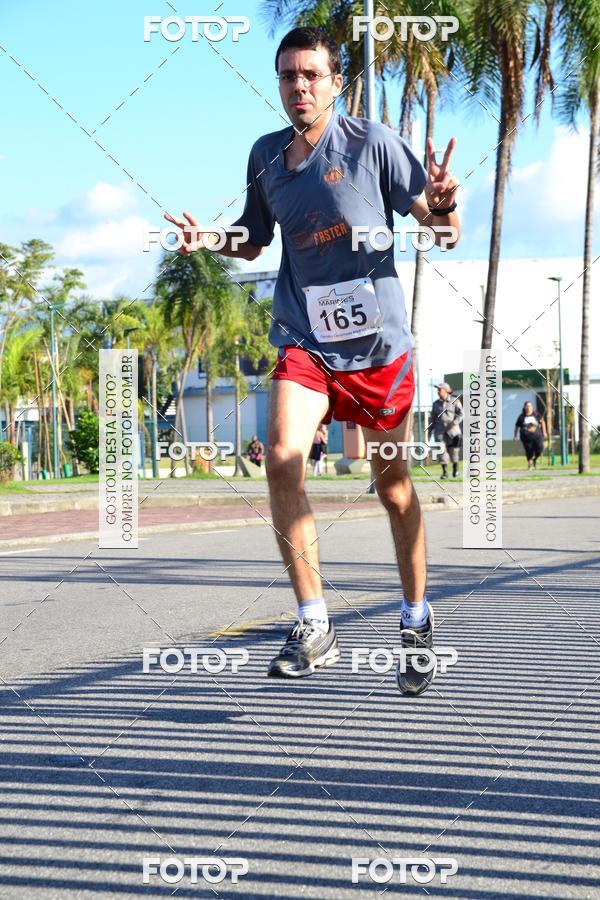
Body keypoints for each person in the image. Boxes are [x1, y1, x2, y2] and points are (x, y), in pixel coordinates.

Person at [165, 27, 460, 695]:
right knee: (280, 455)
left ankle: (416, 619)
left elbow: (439, 231)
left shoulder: (373, 145)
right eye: (288, 76)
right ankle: (314, 621)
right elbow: (254, 240)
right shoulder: (267, 156)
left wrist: (444, 206)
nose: (299, 86)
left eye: (311, 75)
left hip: (380, 349)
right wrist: (208, 238)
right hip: (305, 340)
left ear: (336, 83)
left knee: (393, 489)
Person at [430, 383, 463, 479]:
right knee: (442, 452)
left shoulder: (455, 401)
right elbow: (432, 418)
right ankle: (445, 472)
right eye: (437, 390)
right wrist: (430, 431)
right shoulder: (435, 404)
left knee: (454, 451)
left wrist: (454, 422)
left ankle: (455, 470)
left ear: (445, 390)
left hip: (453, 431)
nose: (438, 392)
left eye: (439, 389)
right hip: (439, 432)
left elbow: (461, 414)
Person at [514, 401, 547, 469]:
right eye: (527, 406)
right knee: (529, 450)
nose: (529, 407)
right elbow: (517, 426)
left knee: (540, 448)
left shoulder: (536, 414)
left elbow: (542, 422)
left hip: (537, 436)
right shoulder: (522, 417)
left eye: (530, 406)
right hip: (526, 437)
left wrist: (544, 432)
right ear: (524, 407)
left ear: (532, 407)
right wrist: (515, 436)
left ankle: (535, 459)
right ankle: (530, 463)